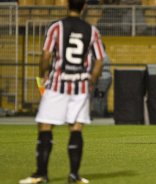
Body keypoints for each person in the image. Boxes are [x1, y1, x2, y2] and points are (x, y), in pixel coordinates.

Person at [19, 0, 105, 183]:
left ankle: (41, 174)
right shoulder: (92, 31)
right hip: (80, 85)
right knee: (75, 127)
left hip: (58, 83)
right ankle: (74, 175)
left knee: (45, 125)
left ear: (67, 6)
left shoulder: (56, 27)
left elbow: (46, 55)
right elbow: (99, 60)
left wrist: (42, 74)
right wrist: (91, 79)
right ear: (84, 7)